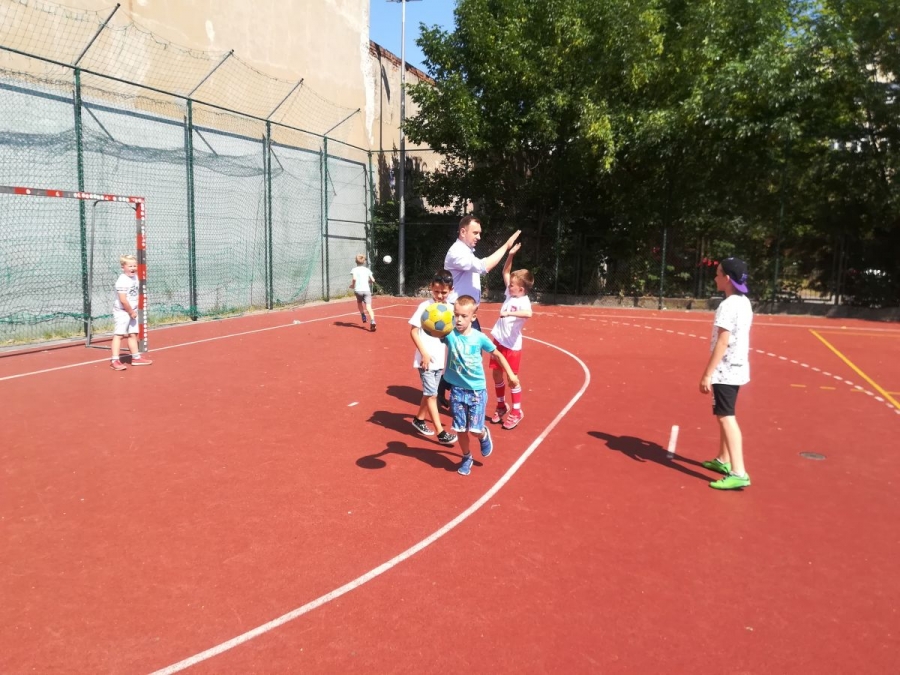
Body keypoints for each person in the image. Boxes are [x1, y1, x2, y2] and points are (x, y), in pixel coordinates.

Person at [439, 215, 521, 405]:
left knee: (469, 354)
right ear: (463, 232)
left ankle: (444, 387)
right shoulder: (457, 252)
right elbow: (484, 266)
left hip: (467, 313)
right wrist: (506, 246)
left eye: (479, 233)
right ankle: (457, 392)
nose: (479, 237)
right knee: (469, 355)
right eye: (475, 233)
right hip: (459, 314)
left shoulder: (466, 251)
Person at [443, 295, 519, 476]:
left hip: (476, 391)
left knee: (474, 430)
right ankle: (466, 457)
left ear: (473, 317)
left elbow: (498, 355)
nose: (459, 320)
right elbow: (432, 331)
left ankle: (483, 434)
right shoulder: (449, 334)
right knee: (461, 429)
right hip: (457, 391)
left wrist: (510, 374)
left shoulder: (479, 338)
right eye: (456, 315)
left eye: (463, 316)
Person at [699, 257, 753, 490]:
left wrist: (707, 374)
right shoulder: (744, 302)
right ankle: (723, 459)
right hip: (737, 367)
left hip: (726, 370)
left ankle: (739, 472)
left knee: (726, 417)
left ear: (727, 279)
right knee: (724, 412)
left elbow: (723, 341)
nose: (715, 277)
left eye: (718, 273)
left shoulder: (727, 306)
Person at [408, 270, 458, 446]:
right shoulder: (425, 307)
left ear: (451, 290)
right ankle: (440, 432)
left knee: (430, 392)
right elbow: (413, 331)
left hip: (439, 360)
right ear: (431, 288)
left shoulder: (450, 309)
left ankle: (419, 419)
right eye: (436, 291)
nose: (439, 295)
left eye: (444, 292)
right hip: (425, 360)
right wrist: (424, 353)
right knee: (431, 395)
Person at [488, 243, 533, 430]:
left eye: (512, 285)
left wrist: (509, 313)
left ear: (521, 289)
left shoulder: (524, 301)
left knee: (512, 379)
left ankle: (516, 411)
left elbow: (528, 314)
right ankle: (501, 406)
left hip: (512, 346)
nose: (509, 286)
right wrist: (511, 255)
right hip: (498, 341)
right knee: (496, 374)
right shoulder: (510, 294)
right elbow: (505, 272)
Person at [110, 254, 153, 371]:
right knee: (119, 335)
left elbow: (142, 277)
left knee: (133, 334)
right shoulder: (122, 280)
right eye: (130, 266)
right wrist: (130, 312)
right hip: (123, 311)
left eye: (134, 266)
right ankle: (115, 360)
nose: (133, 268)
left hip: (132, 311)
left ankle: (136, 358)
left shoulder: (135, 278)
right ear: (123, 267)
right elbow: (123, 300)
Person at [349, 254, 377, 331]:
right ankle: (372, 320)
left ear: (356, 261)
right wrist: (369, 281)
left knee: (359, 302)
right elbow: (373, 280)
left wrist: (353, 285)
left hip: (358, 290)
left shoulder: (354, 269)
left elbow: (354, 279)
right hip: (366, 290)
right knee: (369, 307)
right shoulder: (367, 270)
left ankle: (363, 315)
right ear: (364, 261)